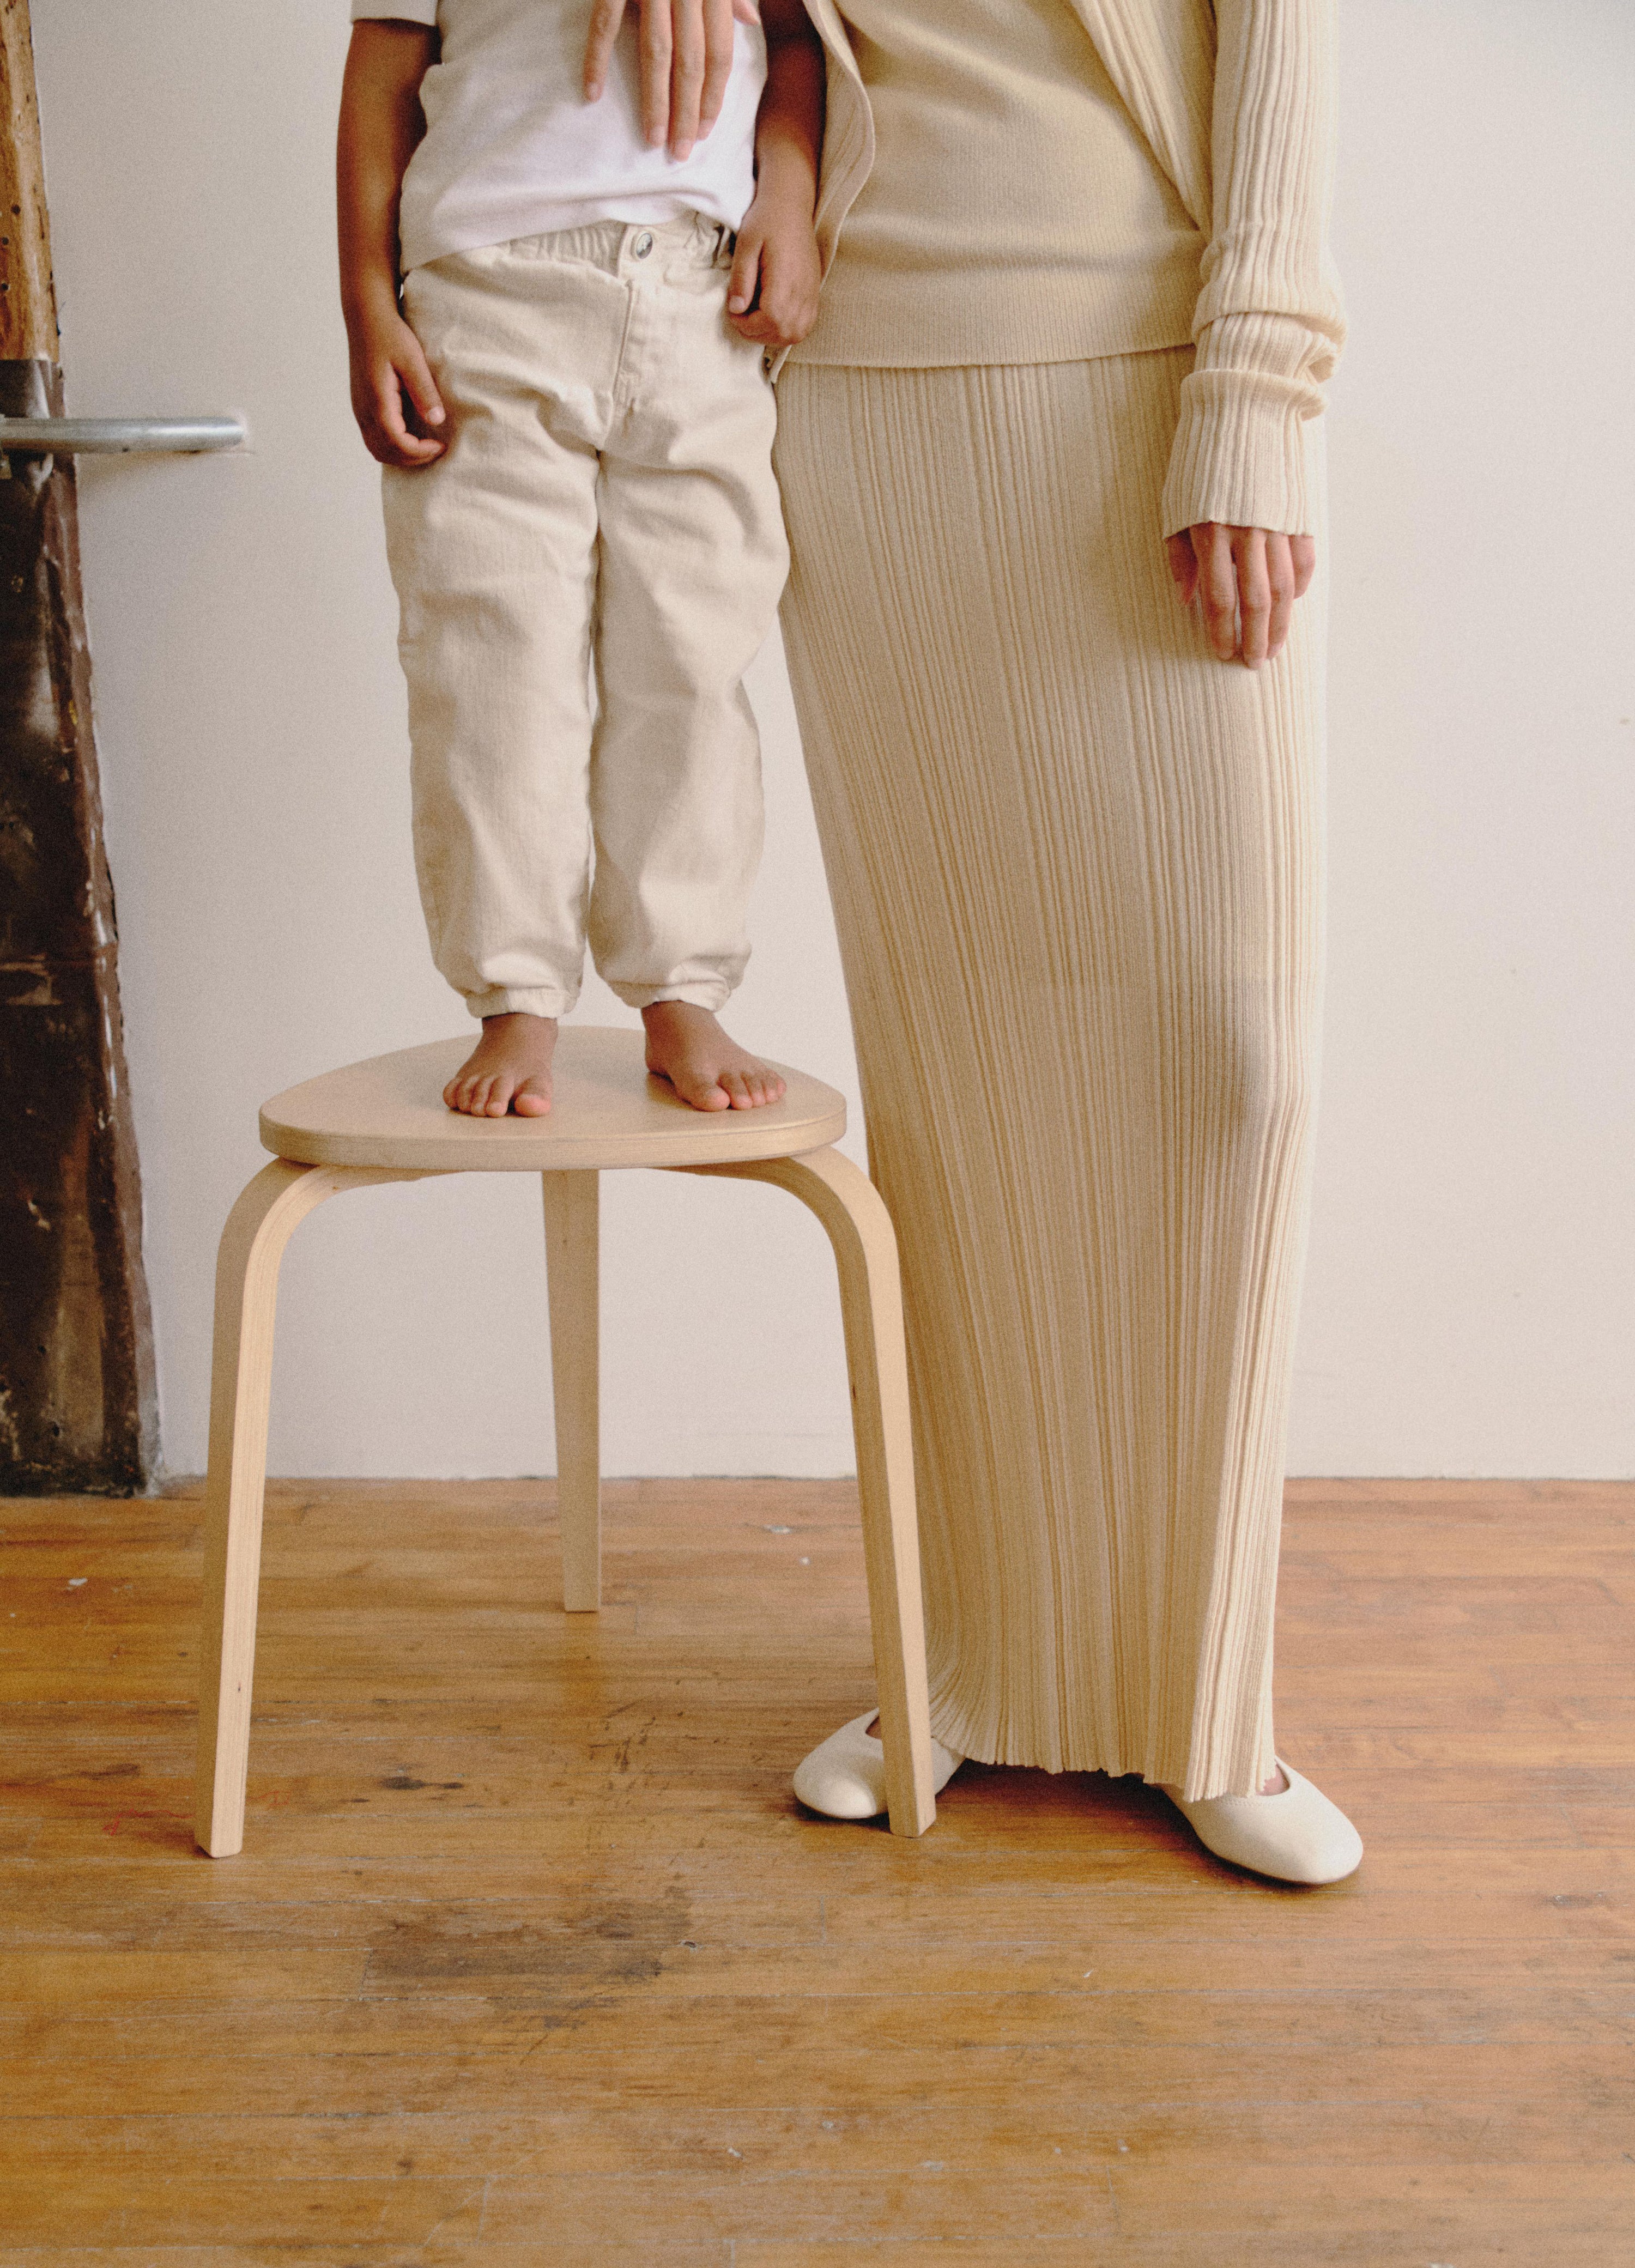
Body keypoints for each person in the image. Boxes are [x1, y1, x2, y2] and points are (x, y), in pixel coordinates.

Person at [635, 0, 1362, 1883]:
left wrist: (1255, 392)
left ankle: (1206, 1703)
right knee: (957, 1077)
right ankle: (957, 1671)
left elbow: (1281, 51)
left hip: (1141, 374)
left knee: (1235, 1067)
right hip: (860, 402)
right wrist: (782, 163)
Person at [336, 0, 826, 1118]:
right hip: (484, 298)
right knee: (491, 664)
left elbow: (799, 41)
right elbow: (381, 73)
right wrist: (369, 302)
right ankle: (514, 993)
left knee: (695, 659)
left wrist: (786, 199)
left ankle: (680, 983)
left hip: (705, 301)